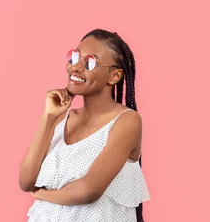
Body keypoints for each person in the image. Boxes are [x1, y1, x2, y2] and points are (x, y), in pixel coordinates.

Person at [19, 29, 150, 222]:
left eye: (89, 62)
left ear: (114, 76)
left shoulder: (126, 120)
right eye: (74, 57)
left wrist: (43, 195)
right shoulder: (61, 119)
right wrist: (48, 117)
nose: (75, 68)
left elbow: (89, 190)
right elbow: (26, 180)